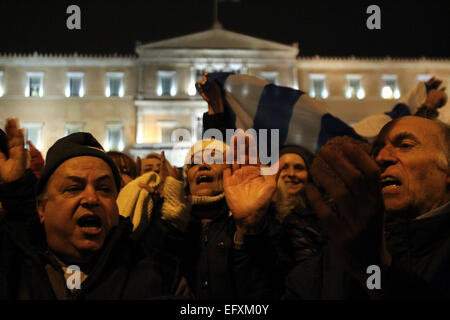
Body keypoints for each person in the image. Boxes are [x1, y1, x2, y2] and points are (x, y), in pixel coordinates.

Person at [0, 119, 175, 299]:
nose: (91, 199)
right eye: (74, 188)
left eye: (104, 189)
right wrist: (15, 188)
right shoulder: (11, 268)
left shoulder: (151, 272)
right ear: (42, 208)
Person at [286, 116, 450, 299]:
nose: (381, 158)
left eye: (405, 145)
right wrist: (249, 227)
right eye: (377, 150)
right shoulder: (341, 252)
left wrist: (373, 267)